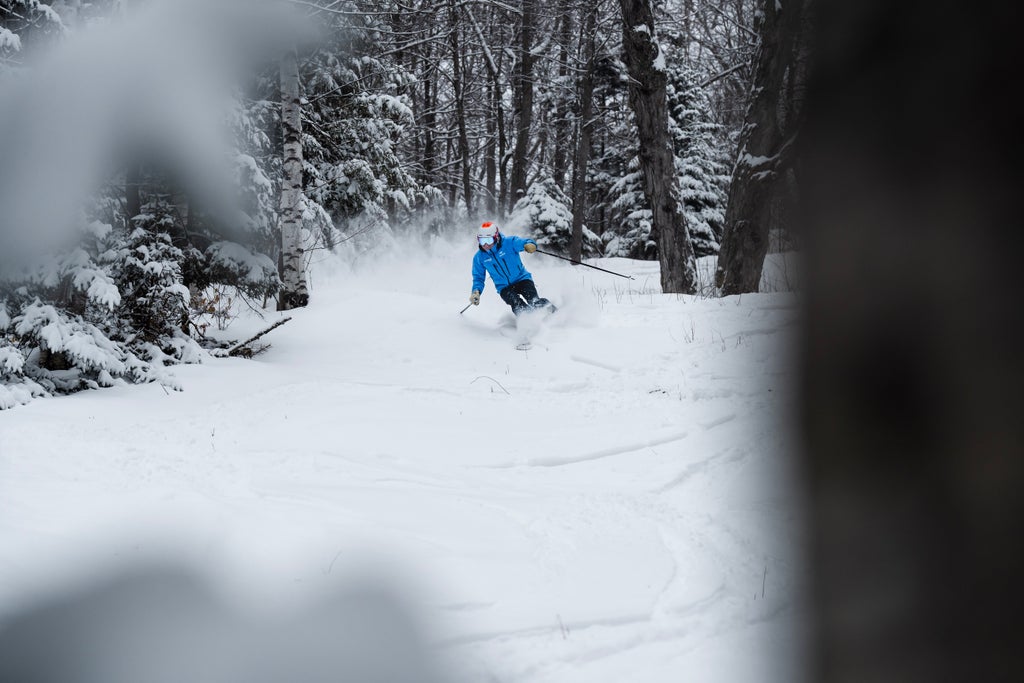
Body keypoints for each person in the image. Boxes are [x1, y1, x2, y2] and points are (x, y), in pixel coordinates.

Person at [469, 221, 554, 316]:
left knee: (534, 301)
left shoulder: (509, 243)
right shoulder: (479, 257)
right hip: (504, 287)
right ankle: (528, 321)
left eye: (488, 240)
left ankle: (552, 313)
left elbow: (522, 242)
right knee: (516, 303)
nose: (485, 245)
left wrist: (529, 245)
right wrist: (476, 291)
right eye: (482, 240)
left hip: (522, 279)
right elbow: (478, 278)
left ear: (496, 237)